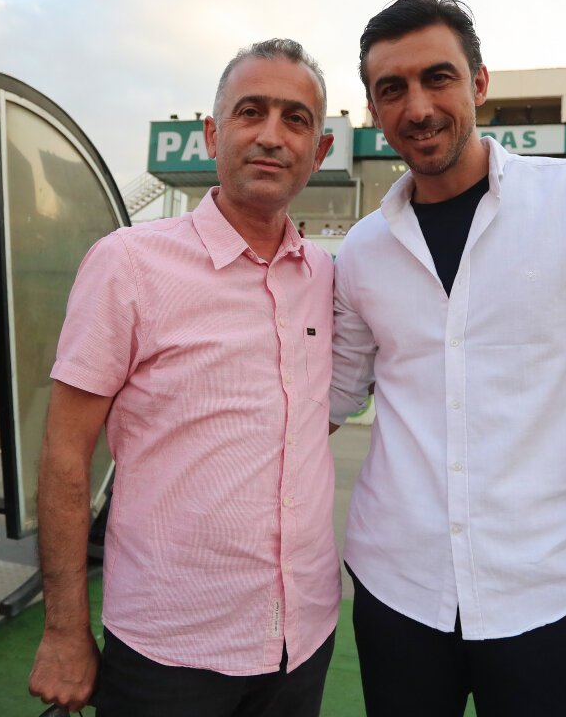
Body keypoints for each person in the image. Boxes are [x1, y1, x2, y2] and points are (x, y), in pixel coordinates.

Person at [331, 0, 566, 717]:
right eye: (392, 89)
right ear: (372, 108)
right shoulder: (363, 249)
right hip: (397, 589)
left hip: (547, 593)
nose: (418, 107)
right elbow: (328, 397)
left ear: (479, 83)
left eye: (438, 77)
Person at [29, 38, 341, 717]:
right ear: (212, 134)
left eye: (295, 120)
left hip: (304, 637)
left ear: (318, 152)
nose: (271, 135)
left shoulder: (325, 277)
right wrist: (63, 630)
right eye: (250, 112)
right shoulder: (128, 264)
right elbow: (65, 453)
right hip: (168, 647)